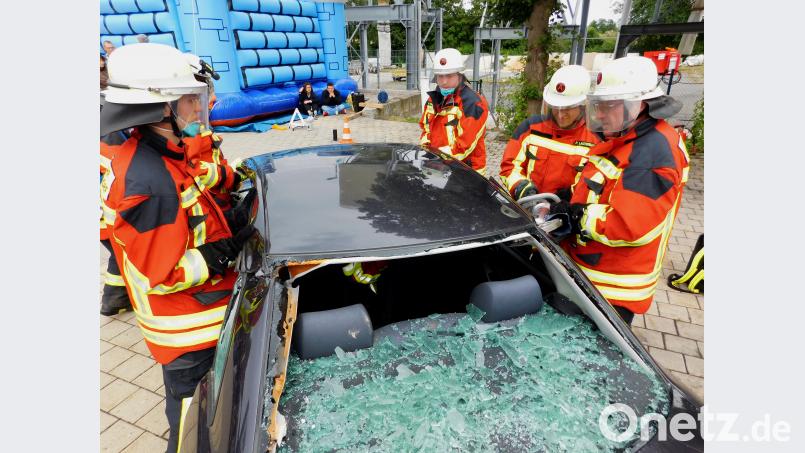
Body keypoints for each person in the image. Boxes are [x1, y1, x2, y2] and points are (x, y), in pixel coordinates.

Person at [100, 43, 252, 453]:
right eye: (190, 99)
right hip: (187, 332)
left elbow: (195, 208)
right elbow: (162, 274)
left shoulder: (160, 151)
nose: (200, 108)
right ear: (163, 108)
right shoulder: (148, 182)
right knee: (194, 430)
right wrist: (217, 255)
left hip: (195, 319)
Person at [552, 56, 690, 324]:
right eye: (599, 106)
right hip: (592, 270)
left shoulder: (652, 153)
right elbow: (602, 187)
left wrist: (577, 216)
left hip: (612, 286)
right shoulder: (626, 139)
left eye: (610, 106)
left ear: (640, 105)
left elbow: (628, 225)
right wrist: (569, 199)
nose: (601, 114)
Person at [500, 65, 600, 200]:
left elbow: (595, 184)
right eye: (555, 107)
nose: (560, 114)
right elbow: (509, 166)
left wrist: (569, 199)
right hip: (527, 206)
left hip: (566, 215)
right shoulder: (531, 128)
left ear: (584, 105)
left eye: (567, 108)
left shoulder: (596, 141)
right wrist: (521, 187)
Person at [419, 48, 489, 175]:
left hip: (466, 171)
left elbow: (465, 145)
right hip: (437, 167)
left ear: (460, 76)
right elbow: (425, 129)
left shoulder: (473, 103)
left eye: (449, 76)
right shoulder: (433, 99)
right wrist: (427, 153)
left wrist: (438, 158)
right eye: (440, 76)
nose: (444, 81)